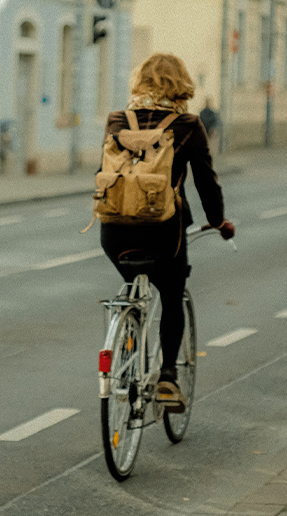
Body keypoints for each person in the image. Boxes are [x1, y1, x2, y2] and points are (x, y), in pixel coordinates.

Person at [99, 53, 235, 412]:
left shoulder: (117, 121)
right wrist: (219, 221)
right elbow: (207, 182)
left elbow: (106, 175)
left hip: (114, 233)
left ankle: (126, 347)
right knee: (172, 294)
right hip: (163, 233)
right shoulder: (187, 125)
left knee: (132, 284)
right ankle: (167, 377)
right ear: (181, 85)